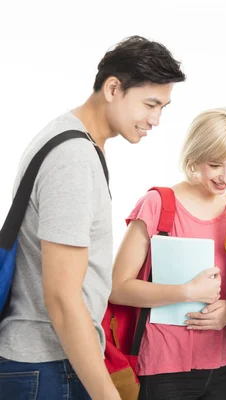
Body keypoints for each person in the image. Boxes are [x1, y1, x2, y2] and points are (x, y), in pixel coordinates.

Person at [0, 35, 185, 400]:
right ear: (113, 88)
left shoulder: (67, 138)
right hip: (50, 365)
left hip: (49, 362)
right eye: (150, 104)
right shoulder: (74, 159)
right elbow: (62, 299)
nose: (156, 119)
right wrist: (105, 393)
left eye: (163, 107)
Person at [109, 108, 226, 400]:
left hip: (223, 367)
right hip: (162, 369)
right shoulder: (158, 204)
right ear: (194, 158)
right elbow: (117, 288)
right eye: (215, 165)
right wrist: (187, 291)